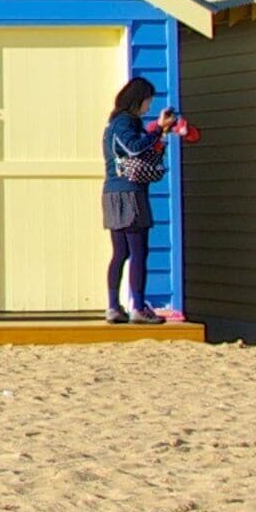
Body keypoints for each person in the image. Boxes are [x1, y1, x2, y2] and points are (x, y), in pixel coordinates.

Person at [102, 76, 180, 325]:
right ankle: (137, 306)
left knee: (121, 252)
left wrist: (160, 130)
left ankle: (114, 307)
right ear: (138, 100)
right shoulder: (125, 122)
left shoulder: (114, 123)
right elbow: (134, 148)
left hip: (113, 192)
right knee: (138, 251)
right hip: (129, 192)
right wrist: (157, 129)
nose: (149, 106)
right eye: (148, 101)